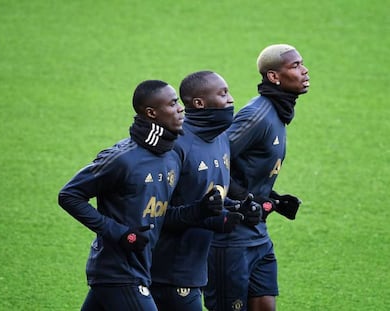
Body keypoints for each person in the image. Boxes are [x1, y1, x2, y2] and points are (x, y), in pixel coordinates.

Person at [58, 80, 223, 311]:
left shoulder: (171, 156)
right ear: (151, 113)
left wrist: (200, 210)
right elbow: (69, 195)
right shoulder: (122, 159)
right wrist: (121, 233)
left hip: (140, 268)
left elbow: (162, 213)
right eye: (173, 103)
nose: (180, 108)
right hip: (119, 271)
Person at [204, 44, 310, 311]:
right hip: (231, 238)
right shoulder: (258, 115)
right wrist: (245, 198)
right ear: (274, 77)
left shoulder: (278, 112)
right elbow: (214, 161)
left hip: (257, 234)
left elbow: (245, 166)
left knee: (265, 305)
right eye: (295, 66)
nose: (305, 71)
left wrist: (273, 198)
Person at [150, 71, 260, 311]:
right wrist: (207, 216)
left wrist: (239, 210)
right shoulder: (176, 146)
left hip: (194, 269)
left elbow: (209, 198)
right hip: (167, 272)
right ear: (199, 103)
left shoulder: (221, 138)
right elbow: (154, 214)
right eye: (223, 94)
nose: (231, 99)